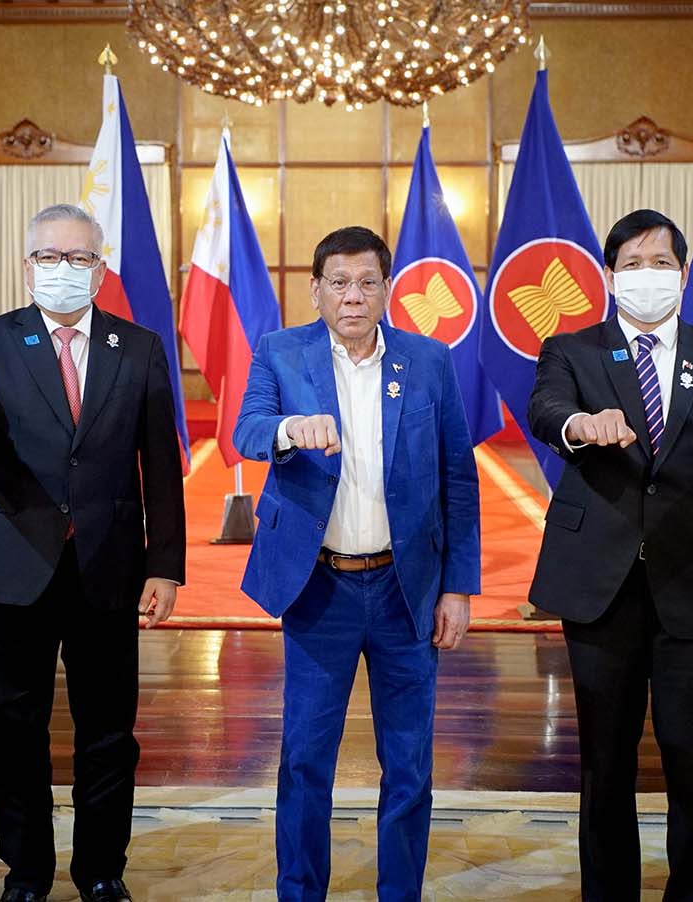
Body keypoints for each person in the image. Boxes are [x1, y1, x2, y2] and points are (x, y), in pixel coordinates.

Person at [0, 204, 186, 902]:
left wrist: (164, 564)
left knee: (109, 734)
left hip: (109, 569)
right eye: (50, 256)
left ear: (100, 270)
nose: (63, 269)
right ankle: (27, 874)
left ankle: (102, 872)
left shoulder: (138, 347)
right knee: (16, 733)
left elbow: (161, 463)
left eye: (79, 259)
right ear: (27, 265)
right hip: (16, 565)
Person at [527, 209, 693, 900]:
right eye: (632, 263)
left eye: (660, 262)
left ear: (684, 272)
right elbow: (546, 409)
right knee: (603, 765)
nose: (647, 275)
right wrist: (580, 423)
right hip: (599, 589)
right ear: (610, 276)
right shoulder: (573, 351)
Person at [233, 225, 480, 901]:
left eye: (368, 281)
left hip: (408, 594)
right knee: (306, 760)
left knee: (408, 763)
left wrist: (459, 586)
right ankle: (300, 891)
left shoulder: (428, 360)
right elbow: (249, 427)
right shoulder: (282, 352)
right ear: (315, 290)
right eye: (338, 282)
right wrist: (289, 429)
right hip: (321, 590)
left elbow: (458, 475)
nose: (353, 296)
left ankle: (400, 893)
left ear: (387, 288)